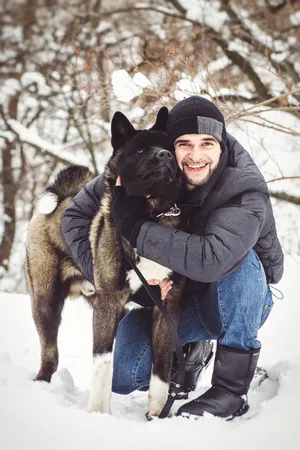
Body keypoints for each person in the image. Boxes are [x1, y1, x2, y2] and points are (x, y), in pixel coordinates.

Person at [62, 96, 283, 419]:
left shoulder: (242, 187)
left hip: (236, 300)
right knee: (124, 376)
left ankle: (230, 390)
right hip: (174, 299)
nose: (195, 155)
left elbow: (213, 260)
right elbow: (75, 217)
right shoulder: (140, 168)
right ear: (170, 144)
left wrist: (134, 227)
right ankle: (192, 351)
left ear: (221, 145)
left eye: (207, 143)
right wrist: (110, 278)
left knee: (240, 260)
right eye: (184, 144)